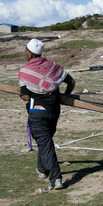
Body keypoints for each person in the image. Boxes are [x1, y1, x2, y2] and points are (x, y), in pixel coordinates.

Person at [18, 38, 76, 191]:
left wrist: (28, 93)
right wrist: (66, 96)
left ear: (29, 54)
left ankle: (56, 178)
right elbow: (71, 82)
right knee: (45, 142)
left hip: (37, 112)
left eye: (25, 50)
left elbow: (25, 97)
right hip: (53, 111)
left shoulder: (25, 72)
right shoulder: (53, 67)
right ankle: (42, 170)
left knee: (45, 143)